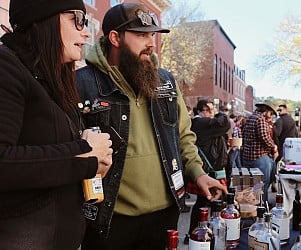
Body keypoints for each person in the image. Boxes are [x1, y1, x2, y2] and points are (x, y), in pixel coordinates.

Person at [75, 3, 226, 249]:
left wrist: (199, 174)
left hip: (164, 217)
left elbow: (183, 137)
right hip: (110, 219)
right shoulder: (82, 83)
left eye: (152, 34)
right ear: (115, 37)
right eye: (141, 34)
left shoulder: (165, 81)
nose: (151, 43)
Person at [0, 0, 113, 249]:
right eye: (78, 19)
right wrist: (84, 153)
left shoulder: (55, 78)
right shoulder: (7, 67)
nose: (86, 31)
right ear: (45, 17)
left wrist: (94, 163)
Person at [186, 99, 230, 243]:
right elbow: (224, 123)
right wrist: (221, 113)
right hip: (209, 171)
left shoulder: (204, 124)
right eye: (208, 110)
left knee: (204, 203)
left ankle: (198, 234)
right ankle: (202, 235)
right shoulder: (200, 122)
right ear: (199, 111)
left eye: (212, 109)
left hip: (214, 169)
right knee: (208, 204)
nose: (211, 113)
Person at [241, 101, 278, 202]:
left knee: (250, 184)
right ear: (265, 111)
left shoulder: (249, 118)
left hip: (247, 157)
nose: (270, 116)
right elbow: (264, 137)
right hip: (259, 157)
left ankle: (251, 204)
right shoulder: (260, 119)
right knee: (261, 183)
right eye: (270, 113)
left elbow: (243, 135)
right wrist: (274, 146)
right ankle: (262, 205)